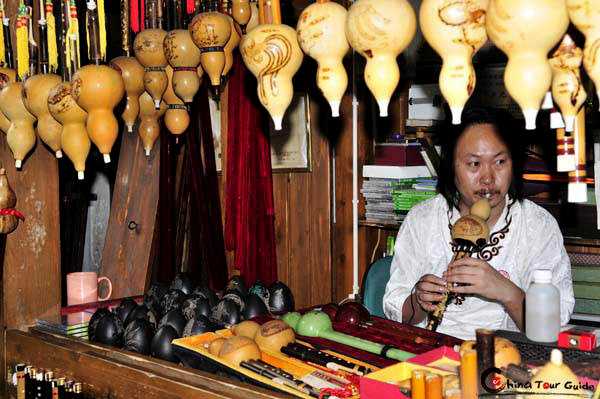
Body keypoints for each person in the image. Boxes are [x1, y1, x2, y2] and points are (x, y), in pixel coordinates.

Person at [382, 107, 574, 340]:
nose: (488, 178)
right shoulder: (422, 219)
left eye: (500, 162)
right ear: (451, 166)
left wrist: (507, 291)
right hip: (431, 354)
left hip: (509, 355)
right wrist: (419, 300)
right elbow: (396, 311)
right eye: (474, 164)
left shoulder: (538, 226)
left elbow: (553, 324)